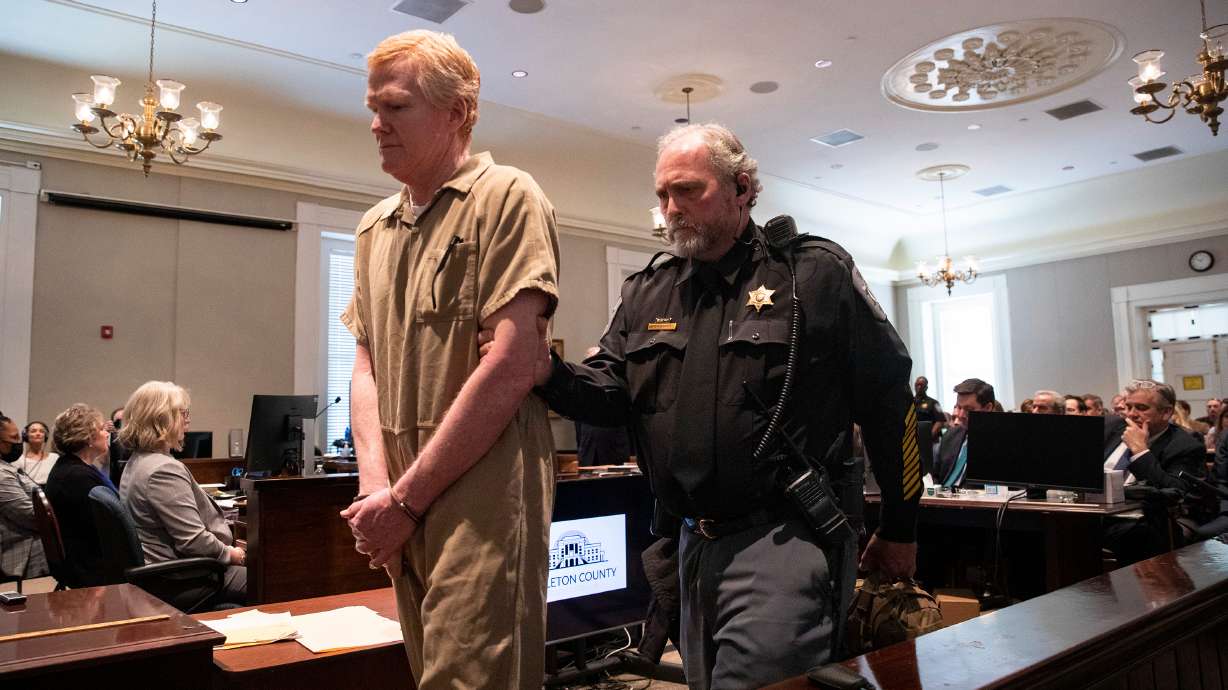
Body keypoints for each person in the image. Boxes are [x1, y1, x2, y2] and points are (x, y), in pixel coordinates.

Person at [516, 123, 918, 688]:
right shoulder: (647, 290)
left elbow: (887, 396)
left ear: (743, 188)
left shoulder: (812, 275)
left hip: (781, 538)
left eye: (687, 190)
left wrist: (901, 523)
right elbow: (612, 392)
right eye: (662, 194)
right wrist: (549, 373)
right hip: (687, 544)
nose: (671, 208)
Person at [337, 30, 560, 690]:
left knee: (468, 680)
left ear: (457, 110)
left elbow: (514, 365)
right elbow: (365, 367)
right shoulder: (373, 227)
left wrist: (403, 501)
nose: (376, 125)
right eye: (373, 107)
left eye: (396, 107)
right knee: (425, 671)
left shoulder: (508, 197)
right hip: (404, 495)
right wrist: (376, 488)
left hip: (483, 493)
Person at [118, 381, 246, 607]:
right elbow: (193, 541)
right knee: (275, 578)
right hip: (185, 578)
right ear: (161, 419)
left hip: (166, 573)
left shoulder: (138, 461)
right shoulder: (163, 469)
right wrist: (232, 554)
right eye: (182, 413)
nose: (188, 419)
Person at [1102, 380, 1208, 565]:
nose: (1132, 414)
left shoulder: (1185, 445)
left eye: (1141, 408)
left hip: (1141, 517)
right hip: (1093, 513)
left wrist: (1141, 451)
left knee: (1138, 535)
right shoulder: (1112, 429)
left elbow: (1174, 491)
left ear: (1166, 412)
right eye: (1128, 407)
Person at [45, 403, 114, 587]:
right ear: (88, 438)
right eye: (101, 429)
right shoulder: (77, 477)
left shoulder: (69, 467)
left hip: (83, 562)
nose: (107, 433)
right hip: (93, 569)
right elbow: (110, 528)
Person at [0, 424, 49, 582]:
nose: (19, 442)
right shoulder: (1, 475)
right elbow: (32, 516)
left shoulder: (7, 467)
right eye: (14, 438)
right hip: (22, 560)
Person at [573, 346, 634, 467]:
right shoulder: (581, 391)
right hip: (587, 454)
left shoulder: (619, 387)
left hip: (615, 454)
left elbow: (630, 424)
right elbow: (578, 428)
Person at [931, 379, 996, 488]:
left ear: (988, 408)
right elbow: (935, 475)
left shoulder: (1000, 443)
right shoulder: (950, 435)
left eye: (968, 409)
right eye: (959, 407)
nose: (960, 415)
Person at [13, 421, 59, 485]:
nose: (38, 433)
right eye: (33, 431)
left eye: (41, 431)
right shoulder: (19, 460)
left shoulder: (54, 457)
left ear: (45, 436)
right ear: (26, 436)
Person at [913, 376, 945, 444]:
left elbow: (940, 421)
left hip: (931, 442)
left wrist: (929, 436)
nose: (919, 387)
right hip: (913, 442)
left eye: (921, 385)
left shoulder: (933, 403)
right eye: (917, 385)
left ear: (926, 387)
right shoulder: (910, 402)